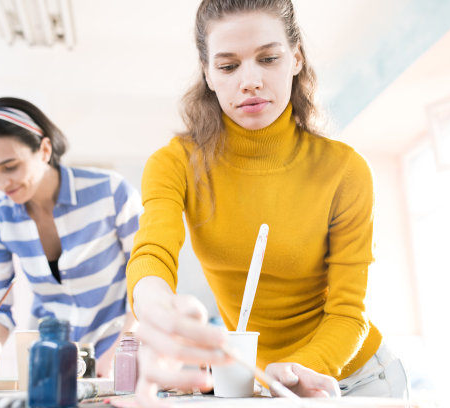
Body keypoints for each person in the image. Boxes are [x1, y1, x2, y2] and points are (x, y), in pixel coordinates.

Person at [126, 0, 409, 405]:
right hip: (263, 381)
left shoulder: (344, 171)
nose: (251, 81)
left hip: (360, 379)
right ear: (207, 73)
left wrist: (297, 367)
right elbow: (153, 252)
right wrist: (155, 309)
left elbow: (349, 312)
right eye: (228, 66)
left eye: (268, 58)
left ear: (295, 58)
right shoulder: (175, 164)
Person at [0, 97, 141, 377]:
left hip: (121, 350)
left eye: (10, 167)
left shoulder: (111, 193)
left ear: (44, 150)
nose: (0, 183)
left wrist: (123, 351)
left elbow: (149, 286)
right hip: (49, 360)